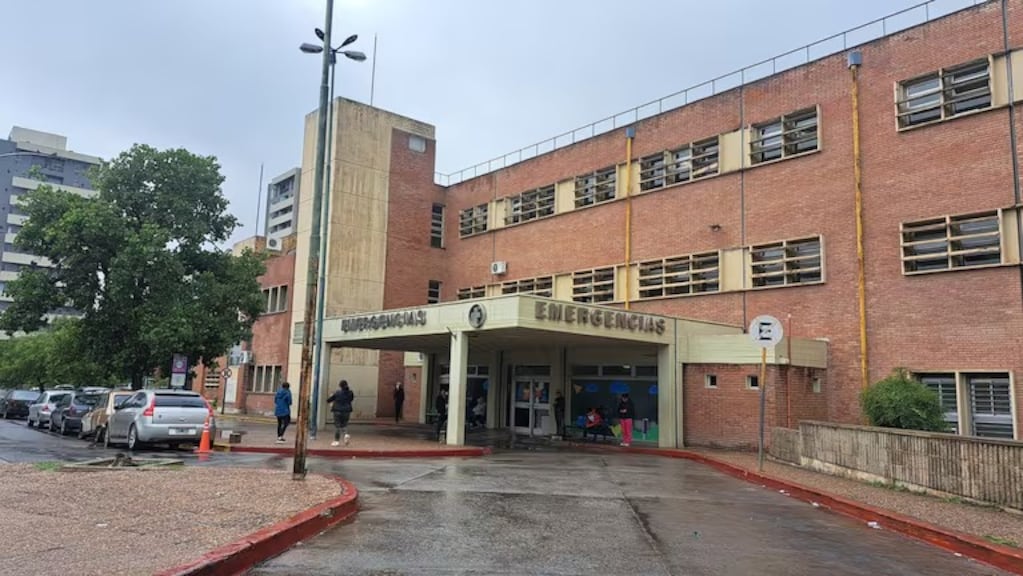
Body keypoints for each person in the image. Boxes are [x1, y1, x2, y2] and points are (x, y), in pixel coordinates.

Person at [327, 380, 355, 447]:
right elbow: (351, 399)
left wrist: (331, 397)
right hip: (347, 411)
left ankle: (336, 441)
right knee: (344, 425)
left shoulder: (337, 393)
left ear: (340, 386)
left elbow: (329, 400)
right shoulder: (350, 393)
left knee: (337, 426)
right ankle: (346, 434)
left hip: (337, 411)